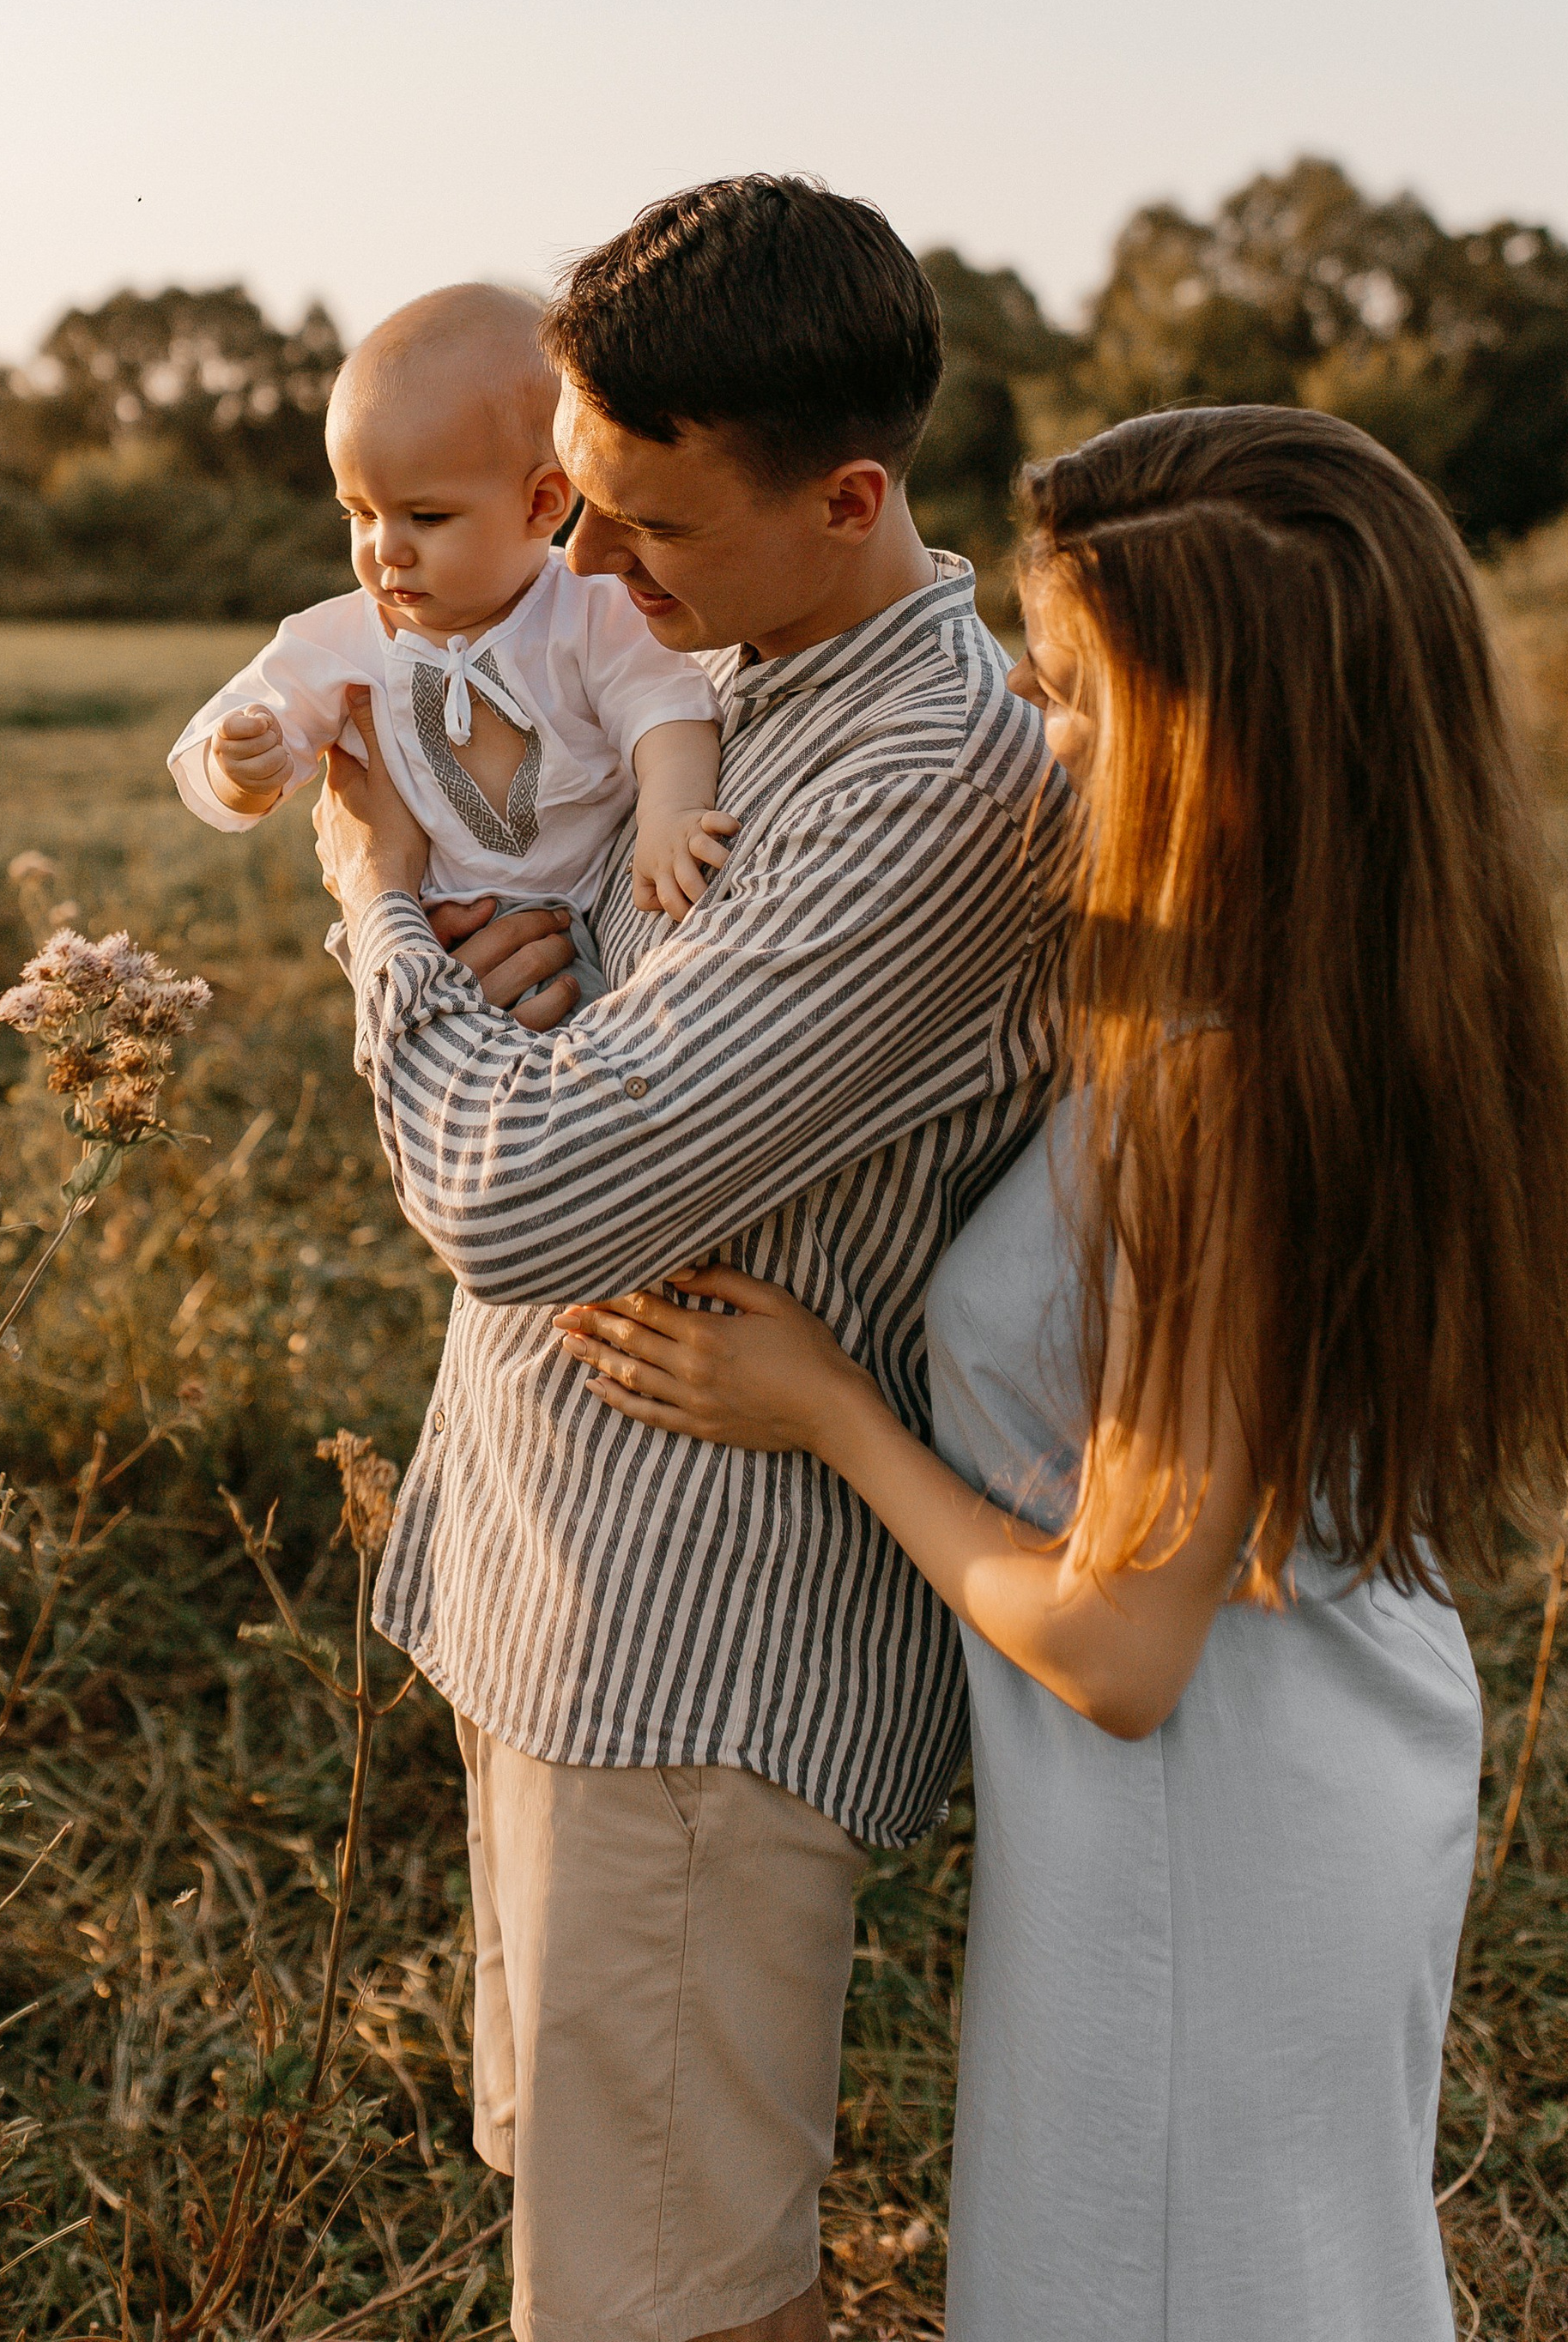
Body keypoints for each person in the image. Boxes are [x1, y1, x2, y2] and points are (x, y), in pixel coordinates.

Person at [558, 403, 1568, 2342]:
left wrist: (831, 1414)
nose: (1027, 737)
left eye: (1076, 699)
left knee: (1157, 2278)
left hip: (1213, 1810)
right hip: (1304, 1746)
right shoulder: (1300, 982)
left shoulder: (1218, 1091)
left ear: (1228, 761)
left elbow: (1123, 1649)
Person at [309, 179, 1065, 2342]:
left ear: (847, 494)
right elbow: (607, 1067)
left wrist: (381, 908)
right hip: (571, 1595)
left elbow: (532, 1200)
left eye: (651, 531)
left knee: (666, 2300)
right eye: (579, 504)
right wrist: (535, 964)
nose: (593, 571)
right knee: (600, 2232)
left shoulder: (920, 776)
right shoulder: (730, 672)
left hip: (691, 1651)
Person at [168, 284, 736, 983]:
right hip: (430, 928)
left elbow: (666, 711)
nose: (387, 550)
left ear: (542, 503)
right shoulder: (338, 639)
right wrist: (243, 771)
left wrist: (671, 815)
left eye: (426, 517)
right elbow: (251, 737)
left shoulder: (590, 609)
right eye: (360, 514)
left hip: (589, 916)